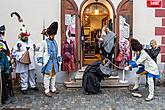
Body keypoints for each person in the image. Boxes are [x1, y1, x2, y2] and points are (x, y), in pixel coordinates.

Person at [12, 12, 38, 94]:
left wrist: (39, 45)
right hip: (23, 62)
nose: (26, 37)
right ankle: (24, 87)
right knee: (24, 74)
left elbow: (36, 48)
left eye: (26, 35)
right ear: (21, 36)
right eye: (24, 36)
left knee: (32, 73)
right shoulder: (18, 43)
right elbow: (14, 53)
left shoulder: (30, 41)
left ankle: (33, 86)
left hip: (30, 61)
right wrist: (21, 56)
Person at [40, 22, 59, 97]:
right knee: (47, 75)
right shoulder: (44, 42)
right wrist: (40, 60)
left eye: (54, 35)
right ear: (48, 34)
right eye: (52, 35)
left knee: (53, 75)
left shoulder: (55, 42)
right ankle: (47, 89)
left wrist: (59, 59)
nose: (53, 36)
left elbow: (58, 51)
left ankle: (52, 88)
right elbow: (41, 52)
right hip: (48, 61)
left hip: (54, 61)